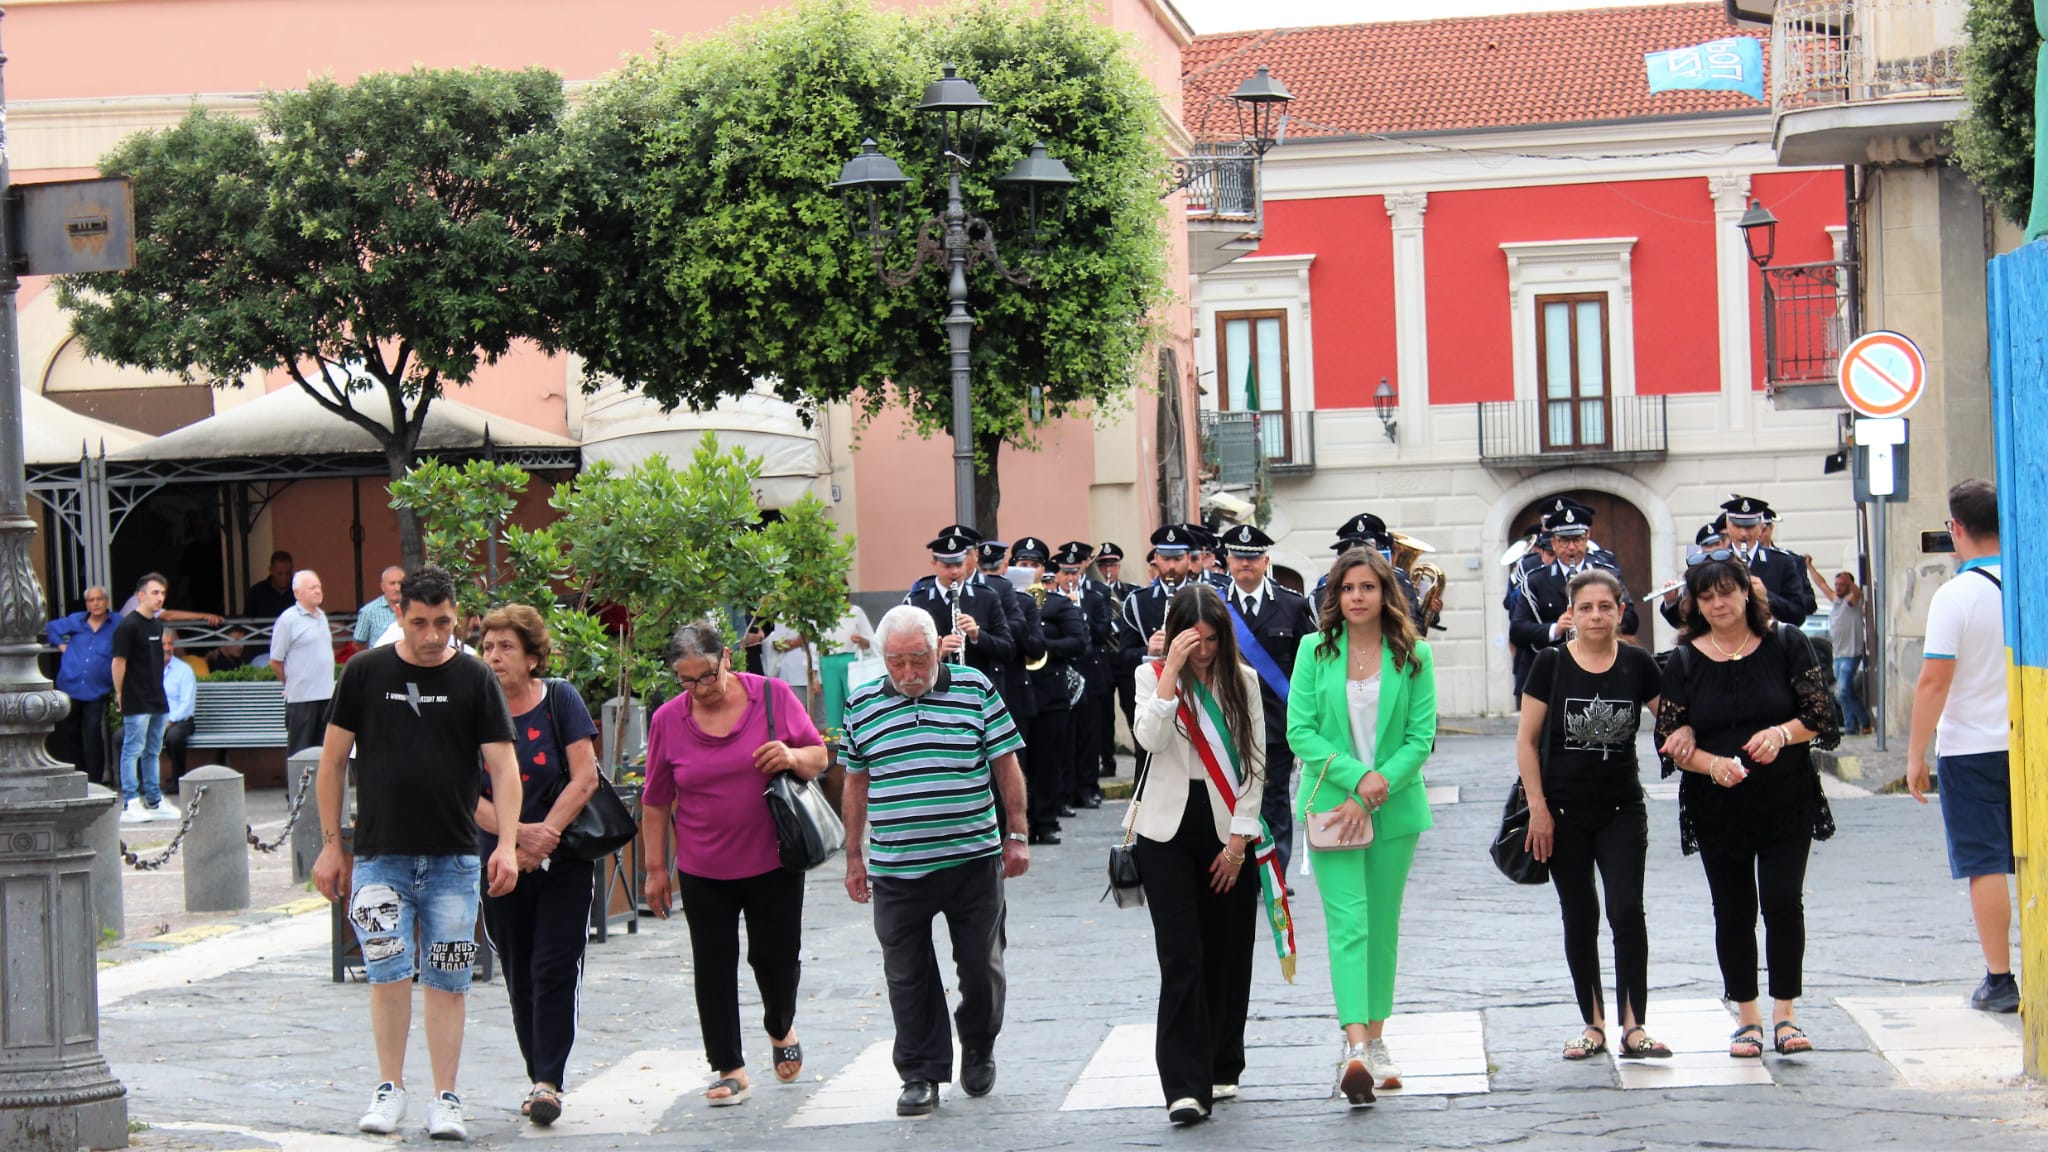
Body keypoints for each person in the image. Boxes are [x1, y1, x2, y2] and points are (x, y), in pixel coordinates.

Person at [312, 566, 521, 1142]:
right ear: (399, 616)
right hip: (381, 853)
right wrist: (333, 847)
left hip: (454, 856)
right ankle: (389, 1088)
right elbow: (331, 764)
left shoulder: (475, 678)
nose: (433, 635)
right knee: (386, 974)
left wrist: (505, 843)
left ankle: (446, 1097)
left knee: (450, 978)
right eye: (421, 622)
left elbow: (503, 767)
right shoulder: (364, 672)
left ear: (459, 619)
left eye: (444, 623)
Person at [841, 605, 1030, 1117]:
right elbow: (855, 783)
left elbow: (1005, 762)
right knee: (907, 975)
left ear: (936, 650)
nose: (908, 674)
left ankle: (979, 1042)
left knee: (981, 969)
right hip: (897, 868)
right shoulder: (860, 704)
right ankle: (921, 1072)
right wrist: (854, 856)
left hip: (973, 860)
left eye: (918, 660)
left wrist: (1017, 834)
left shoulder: (974, 688)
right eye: (896, 662)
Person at [1654, 552, 1838, 1059]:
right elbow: (1668, 738)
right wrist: (1710, 762)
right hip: (1718, 804)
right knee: (1732, 910)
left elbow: (1821, 716)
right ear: (1695, 603)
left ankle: (1786, 1014)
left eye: (1727, 592)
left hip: (1785, 798)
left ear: (1745, 592)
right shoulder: (1686, 659)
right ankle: (1748, 1017)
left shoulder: (1786, 643)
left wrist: (1782, 734)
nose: (1719, 604)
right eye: (1707, 595)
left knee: (1783, 902)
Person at [641, 621, 825, 1107]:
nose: (698, 689)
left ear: (726, 657)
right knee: (713, 965)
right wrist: (656, 868)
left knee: (776, 958)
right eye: (685, 680)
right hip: (703, 866)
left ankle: (780, 1026)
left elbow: (819, 756)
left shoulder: (773, 696)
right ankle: (729, 1067)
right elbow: (656, 799)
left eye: (705, 676)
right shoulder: (667, 720)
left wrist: (789, 755)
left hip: (774, 859)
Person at [1286, 547, 1436, 1106]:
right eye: (1347, 588)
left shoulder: (1414, 654)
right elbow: (1300, 730)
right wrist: (1356, 781)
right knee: (1348, 924)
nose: (1356, 597)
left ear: (1385, 593)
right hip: (1331, 809)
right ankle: (1354, 1047)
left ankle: (1377, 1040)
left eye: (1367, 587)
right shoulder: (1313, 651)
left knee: (1382, 925)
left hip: (1393, 811)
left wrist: (1376, 789)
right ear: (1335, 596)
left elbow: (1421, 738)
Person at [1129, 583, 1281, 1125]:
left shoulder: (1242, 681)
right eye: (1193, 641)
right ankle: (1184, 1087)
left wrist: (1240, 842)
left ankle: (1222, 1062)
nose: (1205, 651)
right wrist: (1169, 669)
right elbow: (1147, 741)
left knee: (1229, 950)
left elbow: (1257, 764)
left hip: (1227, 827)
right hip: (1164, 831)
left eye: (1212, 640)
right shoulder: (1151, 677)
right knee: (1180, 956)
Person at [1515, 569, 1668, 1062]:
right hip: (1561, 812)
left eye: (1606, 607)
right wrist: (1538, 809)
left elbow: (1672, 719)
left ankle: (1633, 1026)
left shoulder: (1639, 664)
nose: (1597, 616)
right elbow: (1527, 741)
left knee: (1627, 913)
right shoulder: (1550, 663)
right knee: (1580, 916)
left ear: (1621, 611)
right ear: (1571, 613)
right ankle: (1593, 1024)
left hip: (1622, 808)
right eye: (1586, 607)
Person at [474, 605, 600, 1127]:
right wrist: (514, 836)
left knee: (554, 966)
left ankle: (549, 1079)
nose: (494, 657)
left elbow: (585, 776)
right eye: (487, 647)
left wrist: (543, 835)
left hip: (563, 857)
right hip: (501, 860)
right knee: (518, 969)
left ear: (531, 656)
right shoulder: (473, 709)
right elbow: (462, 793)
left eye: (505, 647)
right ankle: (537, 1077)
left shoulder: (561, 699)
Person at [1906, 479, 2018, 1013]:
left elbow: (1934, 681)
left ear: (1957, 529)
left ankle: (2000, 979)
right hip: (2029, 741)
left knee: (1986, 861)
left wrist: (1915, 755)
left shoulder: (1957, 594)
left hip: (1972, 748)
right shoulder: (2030, 580)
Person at [1219, 523, 1317, 877]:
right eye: (1238, 557)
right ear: (1227, 560)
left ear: (1266, 561)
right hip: (1226, 720)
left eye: (1253, 558)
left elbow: (1309, 666)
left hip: (1276, 722)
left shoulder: (1292, 606)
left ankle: (1274, 871)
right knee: (1231, 798)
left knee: (1274, 800)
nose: (1245, 564)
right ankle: (1238, 868)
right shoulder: (1214, 604)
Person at [1508, 502, 1639, 701]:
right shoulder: (1535, 580)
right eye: (1564, 541)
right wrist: (1555, 629)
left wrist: (1598, 619)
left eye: (1577, 540)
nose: (1571, 547)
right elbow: (1517, 630)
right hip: (1550, 676)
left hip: (1598, 671)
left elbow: (1631, 620)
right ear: (1553, 543)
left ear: (1587, 539)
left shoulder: (1606, 575)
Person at [1012, 536, 1082, 844]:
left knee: (1048, 759)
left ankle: (1046, 820)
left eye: (1034, 565)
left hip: (1049, 690)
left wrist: (1041, 649)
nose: (1028, 569)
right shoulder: (1004, 601)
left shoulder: (1058, 604)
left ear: (1044, 569)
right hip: (1015, 691)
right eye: (1022, 564)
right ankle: (1019, 822)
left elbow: (1078, 641)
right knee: (1017, 761)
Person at [111, 573, 179, 825]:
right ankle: (131, 800)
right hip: (136, 698)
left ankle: (154, 798)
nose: (160, 598)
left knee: (153, 750)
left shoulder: (157, 625)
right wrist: (120, 693)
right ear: (141, 595)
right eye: (155, 593)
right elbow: (118, 662)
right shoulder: (128, 626)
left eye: (162, 593)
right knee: (133, 748)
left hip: (157, 697)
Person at [1056, 541, 1114, 810]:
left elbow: (1103, 632)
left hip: (1091, 670)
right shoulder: (1051, 598)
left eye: (1074, 572)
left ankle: (1088, 789)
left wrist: (1078, 612)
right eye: (1065, 572)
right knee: (1066, 737)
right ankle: (1066, 791)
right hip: (1063, 673)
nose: (1070, 578)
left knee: (1090, 736)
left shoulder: (1095, 595)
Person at [47, 586, 117, 786]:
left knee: (94, 731)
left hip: (97, 689)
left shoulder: (116, 623)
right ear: (87, 604)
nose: (95, 603)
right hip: (70, 684)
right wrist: (62, 646)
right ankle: (77, 777)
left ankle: (95, 780)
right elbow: (51, 627)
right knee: (70, 732)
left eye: (99, 599)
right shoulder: (77, 620)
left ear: (106, 601)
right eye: (91, 600)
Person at [1720, 496, 1814, 626]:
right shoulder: (1714, 563)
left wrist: (1767, 597)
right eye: (1737, 526)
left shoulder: (1782, 562)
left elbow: (1798, 615)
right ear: (1727, 526)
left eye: (1749, 527)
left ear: (1760, 527)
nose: (1743, 533)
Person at [270, 569, 336, 755]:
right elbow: (275, 661)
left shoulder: (321, 616)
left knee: (324, 753)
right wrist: (289, 683)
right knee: (300, 753)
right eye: (312, 588)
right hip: (301, 700)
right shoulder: (288, 620)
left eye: (319, 587)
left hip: (325, 696)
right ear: (298, 593)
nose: (318, 591)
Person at [1093, 541, 1141, 786]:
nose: (1108, 569)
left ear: (1119, 565)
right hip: (1103, 660)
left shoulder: (1130, 592)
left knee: (1133, 711)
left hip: (1125, 661)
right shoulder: (1093, 592)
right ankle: (1107, 761)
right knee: (1104, 715)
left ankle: (1140, 760)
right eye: (1103, 565)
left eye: (1112, 564)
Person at [1808, 560, 1871, 735]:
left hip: (1851, 655)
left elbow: (1857, 593)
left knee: (1841, 692)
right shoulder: (1835, 601)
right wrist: (1810, 567)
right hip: (1837, 655)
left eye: (1842, 585)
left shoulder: (1852, 603)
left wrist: (1850, 582)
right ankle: (1852, 725)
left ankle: (1864, 721)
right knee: (1844, 693)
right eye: (1836, 584)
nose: (1837, 588)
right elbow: (1821, 584)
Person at [161, 628, 197, 793]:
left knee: (174, 737)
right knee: (121, 736)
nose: (167, 648)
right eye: (163, 644)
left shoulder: (184, 670)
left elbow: (186, 705)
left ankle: (178, 782)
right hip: (154, 719)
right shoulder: (147, 669)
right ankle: (141, 785)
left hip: (180, 720)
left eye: (170, 644)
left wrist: (169, 721)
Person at [355, 565, 405, 648]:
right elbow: (358, 643)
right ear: (382, 587)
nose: (397, 588)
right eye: (392, 583)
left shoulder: (415, 608)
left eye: (400, 583)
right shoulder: (368, 611)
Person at [246, 549, 296, 620]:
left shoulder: (299, 591)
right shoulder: (256, 593)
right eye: (280, 574)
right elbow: (248, 621)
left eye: (288, 573)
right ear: (271, 571)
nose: (284, 577)